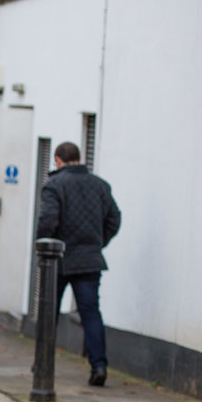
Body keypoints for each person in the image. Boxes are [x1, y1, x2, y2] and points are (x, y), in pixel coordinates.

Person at [36, 141, 121, 386]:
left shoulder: (54, 185)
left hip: (58, 260)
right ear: (79, 158)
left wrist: (45, 248)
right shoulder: (100, 185)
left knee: (48, 313)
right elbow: (114, 219)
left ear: (58, 160)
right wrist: (97, 243)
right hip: (89, 260)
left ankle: (42, 363)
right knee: (91, 313)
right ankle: (99, 366)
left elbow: (47, 221)